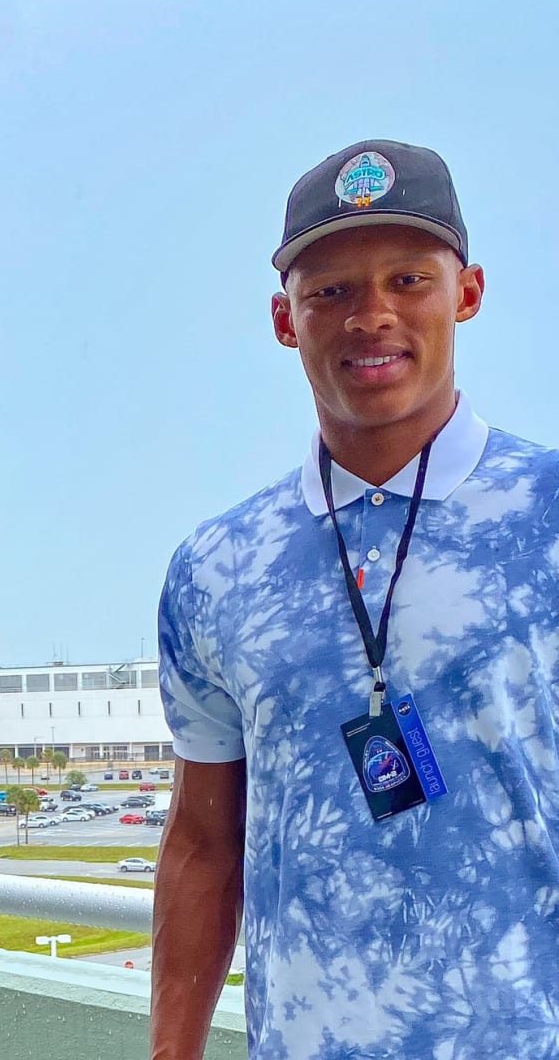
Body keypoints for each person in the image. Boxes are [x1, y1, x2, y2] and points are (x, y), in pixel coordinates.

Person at [150, 140, 559, 1060]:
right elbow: (203, 846)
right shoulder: (219, 566)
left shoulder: (546, 515)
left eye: (408, 279)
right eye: (329, 292)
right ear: (284, 320)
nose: (370, 316)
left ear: (469, 292)